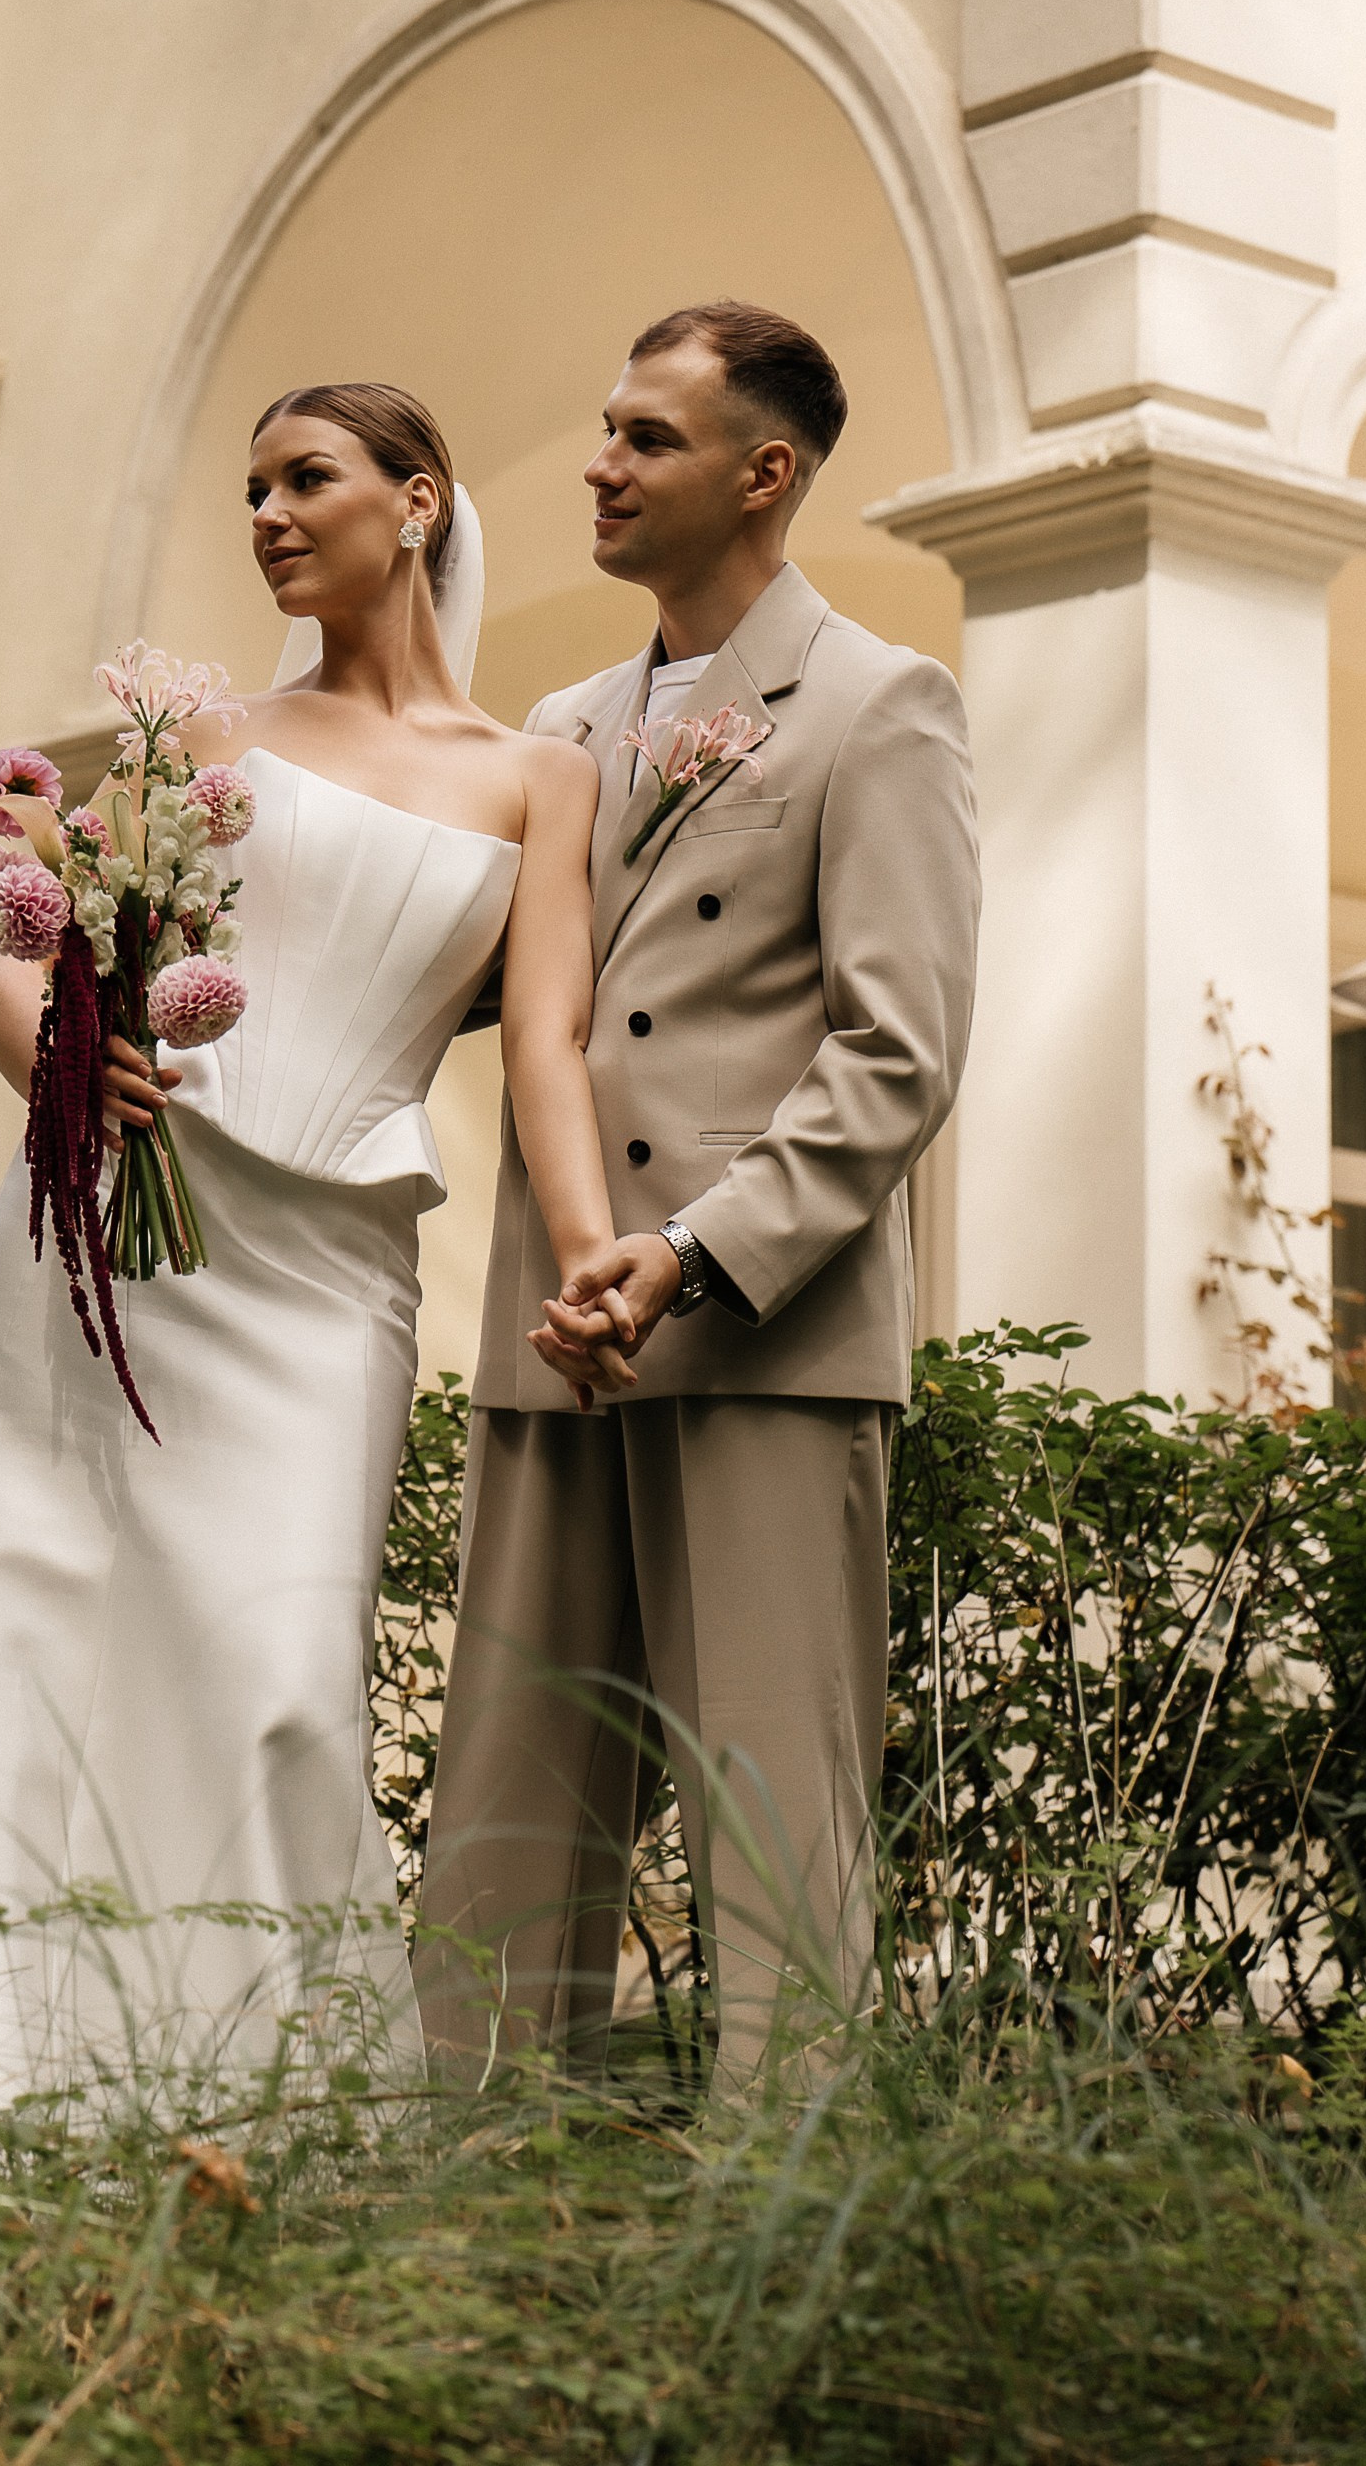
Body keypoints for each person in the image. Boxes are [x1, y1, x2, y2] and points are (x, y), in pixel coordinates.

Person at [0, 385, 615, 2106]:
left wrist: (594, 1256)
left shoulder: (547, 782)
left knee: (279, 1671)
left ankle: (250, 2095)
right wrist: (64, 1064)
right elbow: (21, 966)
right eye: (249, 487)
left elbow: (546, 1044)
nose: (266, 512)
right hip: (116, 1237)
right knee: (32, 1610)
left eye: (305, 478)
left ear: (419, 503)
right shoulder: (204, 743)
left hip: (332, 1282)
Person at [416, 301, 980, 2086]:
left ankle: (777, 2253)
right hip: (557, 1328)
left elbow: (899, 1051)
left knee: (774, 1830)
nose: (598, 463)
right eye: (602, 427)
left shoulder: (883, 704)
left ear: (765, 472)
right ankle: (477, 2217)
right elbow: (489, 995)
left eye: (646, 437)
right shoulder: (560, 723)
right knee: (504, 1819)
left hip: (760, 1330)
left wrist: (697, 1251)